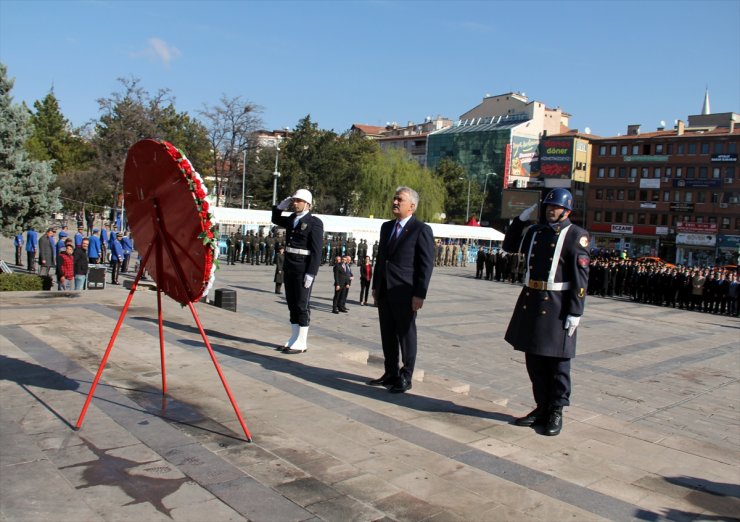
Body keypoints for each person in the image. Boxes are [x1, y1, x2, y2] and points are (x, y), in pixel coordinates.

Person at [503, 188, 590, 437]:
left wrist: (576, 311)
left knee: (558, 364)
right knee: (534, 362)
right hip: (532, 300)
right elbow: (509, 247)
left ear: (567, 210)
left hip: (557, 305)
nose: (551, 210)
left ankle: (556, 410)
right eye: (548, 206)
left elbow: (581, 278)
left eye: (556, 207)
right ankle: (541, 406)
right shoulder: (535, 233)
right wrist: (520, 221)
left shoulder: (576, 236)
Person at [369, 186, 435, 394]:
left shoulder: (420, 229)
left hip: (406, 292)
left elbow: (426, 265)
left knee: (406, 335)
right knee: (387, 334)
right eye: (395, 198)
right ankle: (391, 373)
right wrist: (376, 287)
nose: (395, 202)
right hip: (386, 290)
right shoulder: (386, 227)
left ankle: (406, 376)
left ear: (412, 206)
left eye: (400, 199)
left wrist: (420, 294)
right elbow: (381, 259)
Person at [271, 189, 324, 354]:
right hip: (290, 266)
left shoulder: (315, 222)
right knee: (292, 304)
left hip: (303, 268)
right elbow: (275, 219)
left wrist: (311, 273)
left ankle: (302, 341)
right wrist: (280, 206)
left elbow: (316, 251)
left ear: (308, 204)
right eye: (294, 201)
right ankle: (293, 338)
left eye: (298, 201)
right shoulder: (293, 218)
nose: (295, 203)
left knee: (302, 305)